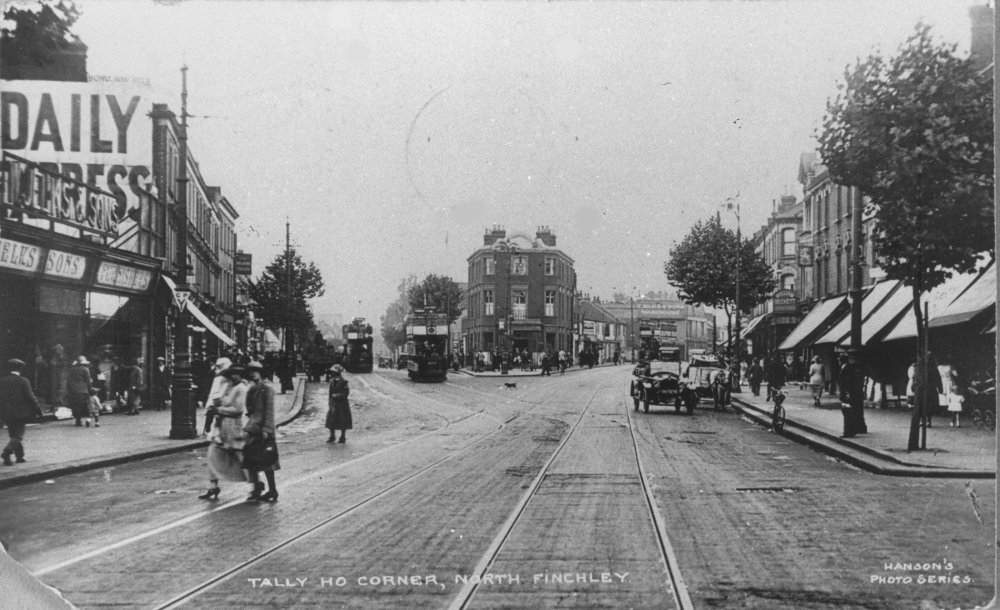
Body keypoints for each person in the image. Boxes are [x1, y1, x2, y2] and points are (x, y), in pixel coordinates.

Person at [198, 365, 249, 500]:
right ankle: (213, 487)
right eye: (231, 374)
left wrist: (219, 410)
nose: (232, 377)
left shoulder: (242, 388)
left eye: (235, 374)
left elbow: (238, 409)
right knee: (212, 456)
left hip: (234, 428)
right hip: (222, 428)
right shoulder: (230, 387)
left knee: (241, 457)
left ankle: (255, 484)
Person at [242, 361, 279, 502]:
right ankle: (258, 488)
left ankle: (272, 490)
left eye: (255, 370)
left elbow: (269, 411)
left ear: (261, 372)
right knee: (252, 461)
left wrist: (267, 430)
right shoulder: (253, 389)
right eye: (250, 371)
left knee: (267, 462)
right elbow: (250, 410)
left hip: (263, 430)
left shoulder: (267, 388)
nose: (253, 373)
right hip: (253, 429)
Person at [0, 359, 43, 466]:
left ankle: (19, 457)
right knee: (18, 436)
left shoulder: (2, 381)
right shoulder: (24, 381)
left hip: (7, 412)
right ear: (20, 368)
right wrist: (38, 409)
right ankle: (6, 453)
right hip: (21, 412)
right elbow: (31, 397)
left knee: (13, 434)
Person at [203, 357, 233, 435]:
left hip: (217, 394)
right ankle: (209, 427)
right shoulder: (220, 374)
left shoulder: (218, 373)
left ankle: (211, 427)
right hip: (217, 394)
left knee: (213, 411)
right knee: (213, 411)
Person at [326, 364, 352, 443]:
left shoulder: (344, 382)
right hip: (334, 404)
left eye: (334, 372)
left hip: (342, 404)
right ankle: (332, 436)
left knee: (342, 421)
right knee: (331, 421)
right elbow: (330, 393)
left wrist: (337, 396)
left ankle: (343, 437)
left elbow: (346, 393)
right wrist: (330, 402)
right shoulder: (331, 381)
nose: (332, 373)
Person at [67, 355, 93, 427]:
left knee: (76, 406)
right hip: (83, 390)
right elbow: (88, 381)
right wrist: (90, 388)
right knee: (86, 404)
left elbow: (68, 381)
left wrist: (69, 390)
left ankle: (78, 420)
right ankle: (88, 419)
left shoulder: (72, 369)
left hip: (74, 391)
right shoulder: (85, 369)